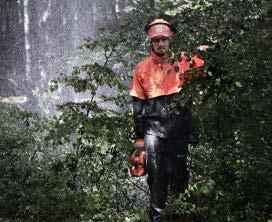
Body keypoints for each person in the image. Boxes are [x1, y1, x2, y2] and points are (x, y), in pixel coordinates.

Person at [129, 18, 206, 221]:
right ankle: (158, 217)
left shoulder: (182, 60)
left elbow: (205, 69)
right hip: (153, 128)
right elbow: (138, 106)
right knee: (156, 174)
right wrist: (139, 142)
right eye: (156, 40)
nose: (160, 44)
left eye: (163, 40)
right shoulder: (141, 68)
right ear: (151, 42)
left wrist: (206, 52)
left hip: (179, 125)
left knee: (179, 174)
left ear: (169, 40)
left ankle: (181, 216)